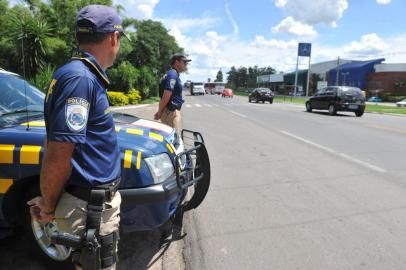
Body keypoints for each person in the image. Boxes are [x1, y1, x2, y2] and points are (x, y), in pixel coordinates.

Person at [27, 4, 125, 270]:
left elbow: (54, 143)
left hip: (89, 206)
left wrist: (50, 200)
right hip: (89, 210)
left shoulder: (79, 75)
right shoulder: (81, 79)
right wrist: (48, 206)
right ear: (114, 37)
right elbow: (59, 154)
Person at [154, 53, 191, 133]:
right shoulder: (173, 75)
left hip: (170, 112)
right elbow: (166, 95)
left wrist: (160, 111)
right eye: (184, 62)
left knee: (172, 138)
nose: (186, 65)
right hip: (170, 113)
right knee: (173, 139)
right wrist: (160, 112)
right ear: (177, 62)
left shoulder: (172, 74)